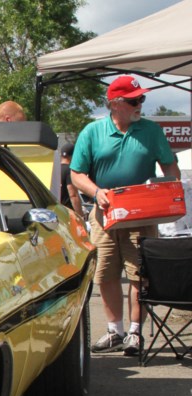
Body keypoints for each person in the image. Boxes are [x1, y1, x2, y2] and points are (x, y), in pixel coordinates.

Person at [70, 75, 180, 355]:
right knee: (105, 273)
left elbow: (170, 168)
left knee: (138, 275)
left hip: (141, 214)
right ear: (114, 104)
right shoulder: (92, 132)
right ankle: (114, 330)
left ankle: (134, 333)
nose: (140, 104)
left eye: (141, 98)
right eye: (134, 100)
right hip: (104, 214)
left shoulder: (151, 131)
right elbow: (76, 174)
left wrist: (167, 192)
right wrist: (97, 193)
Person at [58, 143, 84, 219]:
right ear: (73, 156)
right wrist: (80, 215)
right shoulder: (69, 171)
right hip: (67, 213)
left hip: (57, 211)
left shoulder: (54, 169)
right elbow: (73, 195)